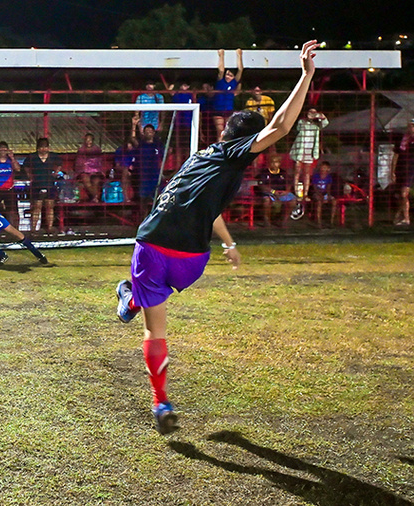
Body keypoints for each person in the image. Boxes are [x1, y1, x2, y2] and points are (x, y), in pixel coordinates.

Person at [115, 40, 320, 435]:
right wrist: (306, 75)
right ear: (247, 145)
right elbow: (281, 126)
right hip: (188, 260)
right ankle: (136, 311)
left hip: (153, 245)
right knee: (155, 315)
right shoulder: (233, 157)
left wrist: (228, 241)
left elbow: (204, 208)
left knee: (154, 326)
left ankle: (157, 390)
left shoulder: (200, 158)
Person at [289, 107, 329, 219]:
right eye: (310, 112)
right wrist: (308, 118)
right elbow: (298, 127)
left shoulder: (317, 125)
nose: (312, 114)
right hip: (300, 149)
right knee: (297, 172)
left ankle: (305, 194)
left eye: (313, 112)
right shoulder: (302, 122)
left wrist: (320, 116)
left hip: (310, 151)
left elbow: (326, 123)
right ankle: (297, 192)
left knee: (307, 173)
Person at [22, 137, 63, 233]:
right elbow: (26, 166)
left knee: (49, 206)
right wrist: (30, 176)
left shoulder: (53, 156)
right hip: (37, 184)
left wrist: (56, 172)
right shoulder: (32, 157)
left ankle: (49, 227)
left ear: (48, 148)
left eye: (45, 147)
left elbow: (60, 164)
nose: (43, 149)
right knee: (37, 207)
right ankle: (33, 229)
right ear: (37, 148)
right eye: (41, 147)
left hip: (50, 183)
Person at [131, 118, 165, 213]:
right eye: (146, 131)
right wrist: (134, 126)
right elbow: (133, 139)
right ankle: (143, 221)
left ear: (154, 132)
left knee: (158, 198)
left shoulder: (158, 145)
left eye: (151, 131)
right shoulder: (141, 145)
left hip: (155, 175)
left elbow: (162, 158)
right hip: (144, 175)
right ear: (144, 133)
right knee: (144, 200)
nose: (149, 132)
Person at [255, 154, 298, 227]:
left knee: (293, 201)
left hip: (282, 192)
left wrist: (286, 191)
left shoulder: (283, 172)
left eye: (276, 162)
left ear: (279, 163)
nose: (274, 164)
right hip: (270, 193)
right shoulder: (264, 173)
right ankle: (267, 219)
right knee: (266, 201)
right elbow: (262, 186)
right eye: (272, 162)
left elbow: (289, 183)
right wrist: (273, 192)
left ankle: (283, 220)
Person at [213, 48, 244, 141]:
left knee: (228, 132)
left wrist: (239, 55)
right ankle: (220, 149)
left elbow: (240, 70)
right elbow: (221, 71)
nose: (228, 76)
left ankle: (227, 149)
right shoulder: (220, 82)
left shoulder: (234, 83)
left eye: (230, 75)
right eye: (227, 74)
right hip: (218, 109)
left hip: (228, 110)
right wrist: (221, 56)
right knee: (220, 131)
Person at [391, 118, 414, 226]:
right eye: (410, 126)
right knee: (400, 195)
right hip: (401, 169)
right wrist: (392, 171)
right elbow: (396, 155)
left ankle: (406, 218)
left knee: (404, 193)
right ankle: (399, 215)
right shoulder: (402, 140)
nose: (411, 128)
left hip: (410, 170)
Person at [74, 133, 105, 203]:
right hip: (84, 171)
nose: (88, 142)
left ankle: (94, 198)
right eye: (87, 140)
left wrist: (95, 171)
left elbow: (98, 162)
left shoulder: (97, 150)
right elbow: (79, 163)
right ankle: (96, 197)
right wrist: (83, 170)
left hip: (95, 171)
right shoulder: (81, 150)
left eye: (90, 140)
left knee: (96, 180)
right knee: (85, 179)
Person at [310, 161, 337, 228]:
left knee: (334, 201)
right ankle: (319, 222)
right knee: (319, 202)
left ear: (328, 169)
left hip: (325, 193)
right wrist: (319, 195)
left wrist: (328, 196)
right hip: (317, 193)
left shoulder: (329, 177)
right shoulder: (316, 176)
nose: (323, 169)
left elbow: (328, 188)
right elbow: (314, 187)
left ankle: (332, 221)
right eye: (322, 167)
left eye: (325, 168)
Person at [113, 137, 138, 203]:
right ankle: (125, 197)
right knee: (125, 171)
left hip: (132, 169)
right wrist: (127, 169)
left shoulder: (135, 151)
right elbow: (117, 165)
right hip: (121, 168)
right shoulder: (120, 150)